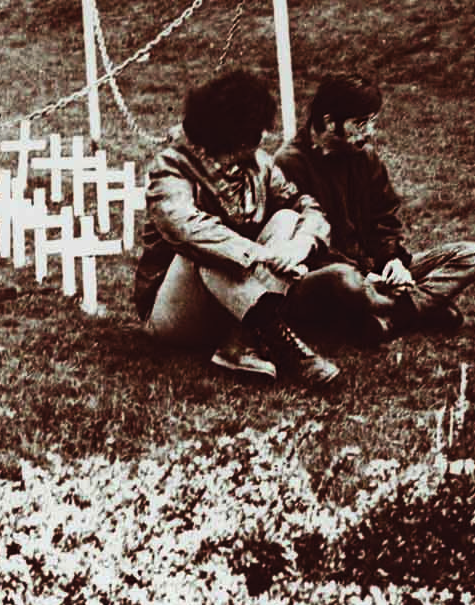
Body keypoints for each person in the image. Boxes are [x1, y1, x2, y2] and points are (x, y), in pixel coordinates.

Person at [133, 69, 345, 389]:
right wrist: (259, 254)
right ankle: (283, 343)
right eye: (252, 135)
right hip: (176, 310)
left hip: (233, 297)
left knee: (287, 219)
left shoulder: (259, 164)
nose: (258, 142)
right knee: (206, 248)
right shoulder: (171, 167)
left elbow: (306, 206)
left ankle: (239, 343)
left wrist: (300, 245)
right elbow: (186, 228)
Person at [274, 73, 475, 342]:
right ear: (329, 121)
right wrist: (365, 277)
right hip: (330, 274)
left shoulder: (365, 156)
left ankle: (395, 316)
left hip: (374, 268)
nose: (369, 132)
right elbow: (300, 245)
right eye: (360, 124)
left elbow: (384, 215)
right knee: (345, 281)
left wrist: (392, 261)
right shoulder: (289, 163)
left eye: (371, 123)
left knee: (470, 255)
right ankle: (419, 308)